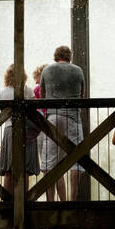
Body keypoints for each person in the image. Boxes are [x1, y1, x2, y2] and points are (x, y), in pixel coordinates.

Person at [39, 45, 86, 202]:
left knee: (48, 160)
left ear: (55, 55)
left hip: (53, 118)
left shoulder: (46, 70)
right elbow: (82, 94)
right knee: (75, 159)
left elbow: (43, 95)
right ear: (69, 56)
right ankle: (72, 200)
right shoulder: (78, 70)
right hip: (73, 118)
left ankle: (50, 201)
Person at [0, 64, 40, 196]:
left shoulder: (3, 92)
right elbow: (35, 112)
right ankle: (25, 201)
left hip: (9, 130)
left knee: (9, 170)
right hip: (26, 130)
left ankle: (7, 202)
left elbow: (1, 113)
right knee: (25, 170)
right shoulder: (27, 90)